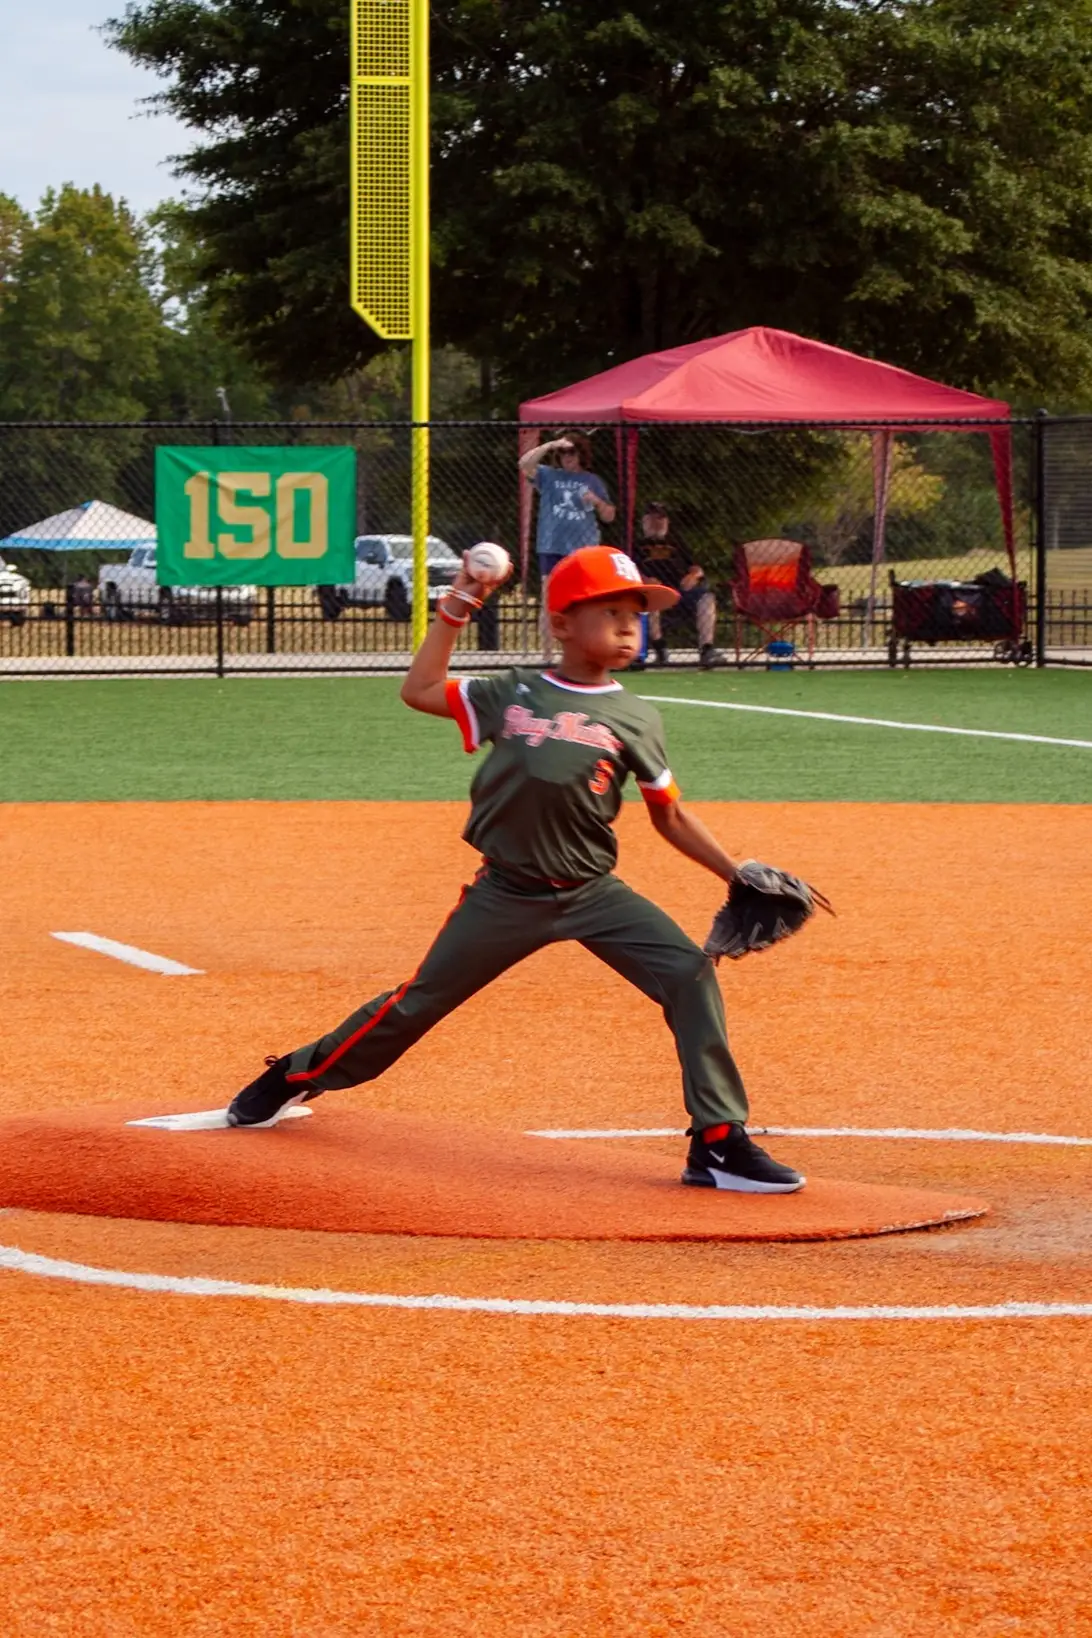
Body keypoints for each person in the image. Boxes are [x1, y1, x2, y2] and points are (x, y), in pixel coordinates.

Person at [225, 544, 804, 1195]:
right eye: (610, 612)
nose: (628, 626)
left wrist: (734, 871)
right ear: (561, 624)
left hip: (594, 894)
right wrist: (460, 602)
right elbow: (418, 690)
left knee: (690, 976)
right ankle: (296, 1075)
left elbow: (669, 815)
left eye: (635, 614)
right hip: (505, 895)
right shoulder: (514, 691)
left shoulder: (637, 717)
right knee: (414, 1007)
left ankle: (718, 1142)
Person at [519, 431, 616, 662]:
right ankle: (547, 656)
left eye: (571, 452)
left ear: (581, 454)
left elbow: (609, 515)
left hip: (583, 549)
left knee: (585, 601)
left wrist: (597, 501)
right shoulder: (549, 476)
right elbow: (524, 464)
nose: (567, 457)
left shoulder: (592, 480)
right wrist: (550, 445)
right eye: (563, 453)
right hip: (552, 546)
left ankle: (585, 649)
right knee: (549, 600)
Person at [631, 502, 722, 669]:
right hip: (655, 589)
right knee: (652, 598)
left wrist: (693, 575)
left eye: (661, 519)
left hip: (681, 589)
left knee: (707, 598)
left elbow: (696, 567)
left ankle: (707, 649)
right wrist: (644, 579)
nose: (658, 523)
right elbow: (629, 568)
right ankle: (660, 648)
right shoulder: (635, 545)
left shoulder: (677, 544)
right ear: (644, 521)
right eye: (653, 518)